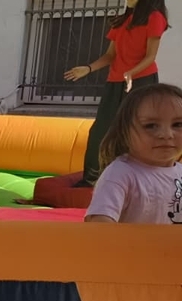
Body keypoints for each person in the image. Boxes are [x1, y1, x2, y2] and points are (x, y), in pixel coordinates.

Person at [65, 0, 170, 186]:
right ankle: (92, 179)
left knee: (137, 131)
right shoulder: (122, 20)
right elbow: (110, 55)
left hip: (142, 81)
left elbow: (150, 57)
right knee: (100, 130)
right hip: (115, 81)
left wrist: (131, 73)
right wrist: (88, 68)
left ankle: (143, 179)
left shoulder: (155, 17)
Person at [85, 83, 182, 224]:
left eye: (178, 124)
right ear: (124, 132)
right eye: (150, 126)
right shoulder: (121, 174)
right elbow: (100, 222)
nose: (166, 135)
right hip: (129, 240)